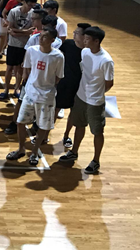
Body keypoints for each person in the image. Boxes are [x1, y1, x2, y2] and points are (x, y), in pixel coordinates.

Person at [59, 26, 114, 174]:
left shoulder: (106, 60)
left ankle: (96, 161)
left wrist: (96, 93)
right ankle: (74, 152)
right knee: (79, 125)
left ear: (96, 41)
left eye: (87, 39)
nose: (84, 40)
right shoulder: (84, 52)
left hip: (95, 102)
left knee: (97, 131)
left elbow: (109, 83)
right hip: (80, 96)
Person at [6, 27, 64, 166]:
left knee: (43, 126)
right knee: (20, 122)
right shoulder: (32, 51)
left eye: (44, 37)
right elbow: (26, 68)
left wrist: (46, 85)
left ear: (52, 40)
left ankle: (34, 152)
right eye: (40, 36)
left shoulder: (58, 56)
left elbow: (58, 77)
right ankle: (21, 149)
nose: (40, 39)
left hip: (46, 97)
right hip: (30, 94)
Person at [4, 11, 60, 136]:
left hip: (46, 82)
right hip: (31, 79)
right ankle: (14, 123)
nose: (44, 31)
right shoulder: (34, 39)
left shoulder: (58, 44)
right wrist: (26, 74)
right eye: (44, 27)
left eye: (47, 28)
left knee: (42, 107)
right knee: (21, 101)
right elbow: (27, 58)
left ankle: (37, 127)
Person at [0, 0, 37, 100]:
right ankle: (6, 89)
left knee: (20, 69)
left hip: (25, 46)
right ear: (24, 2)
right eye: (29, 5)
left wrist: (18, 32)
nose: (30, 8)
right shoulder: (14, 12)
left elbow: (31, 30)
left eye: (32, 6)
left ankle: (17, 88)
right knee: (9, 68)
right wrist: (25, 32)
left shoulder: (32, 14)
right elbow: (10, 28)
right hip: (13, 44)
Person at [58, 23, 90, 146]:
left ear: (84, 36)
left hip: (79, 87)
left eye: (77, 33)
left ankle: (66, 136)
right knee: (55, 109)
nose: (74, 34)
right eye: (74, 32)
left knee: (73, 112)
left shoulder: (88, 52)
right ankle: (45, 135)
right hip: (63, 83)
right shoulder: (67, 44)